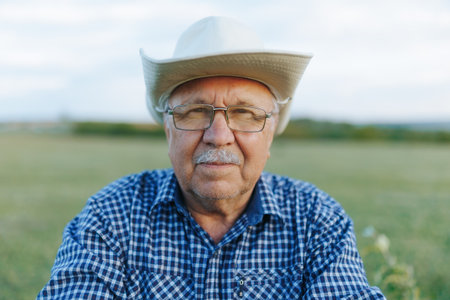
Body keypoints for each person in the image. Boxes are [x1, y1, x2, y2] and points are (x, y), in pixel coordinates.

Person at [38, 16, 385, 299]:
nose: (218, 135)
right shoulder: (111, 217)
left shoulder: (316, 220)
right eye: (194, 112)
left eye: (246, 113)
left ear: (271, 130)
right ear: (167, 127)